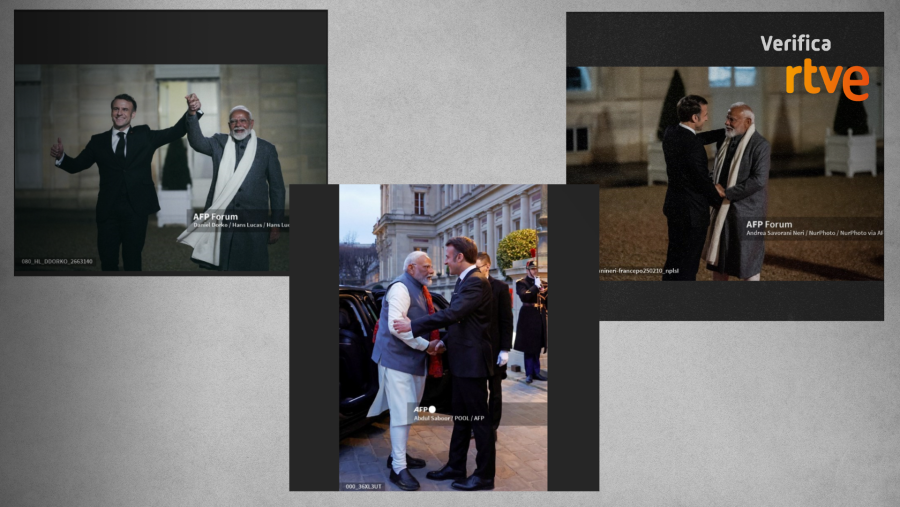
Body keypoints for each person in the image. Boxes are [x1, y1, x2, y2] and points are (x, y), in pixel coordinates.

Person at [393, 237, 495, 491]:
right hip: (462, 361)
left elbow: (453, 314)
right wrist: (443, 342)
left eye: (448, 257)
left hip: (473, 364)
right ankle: (455, 466)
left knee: (479, 421)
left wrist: (412, 325)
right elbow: (460, 324)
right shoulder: (465, 281)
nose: (445, 262)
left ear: (460, 257)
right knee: (461, 418)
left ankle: (484, 476)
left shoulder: (475, 281)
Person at [50, 94, 192, 271]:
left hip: (136, 210)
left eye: (125, 109)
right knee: (108, 261)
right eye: (116, 109)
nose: (119, 113)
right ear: (111, 112)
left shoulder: (144, 135)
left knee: (132, 261)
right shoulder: (98, 141)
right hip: (108, 211)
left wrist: (192, 112)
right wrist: (61, 157)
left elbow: (176, 131)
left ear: (133, 114)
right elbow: (77, 165)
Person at [176, 95, 285, 271]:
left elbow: (277, 189)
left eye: (243, 120)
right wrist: (192, 114)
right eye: (233, 121)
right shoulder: (219, 142)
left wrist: (276, 224)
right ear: (229, 126)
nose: (238, 124)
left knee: (255, 268)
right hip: (225, 221)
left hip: (254, 221)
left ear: (251, 123)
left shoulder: (266, 149)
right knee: (226, 269)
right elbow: (197, 142)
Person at [366, 251, 441, 491]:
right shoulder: (400, 288)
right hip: (396, 360)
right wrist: (427, 345)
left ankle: (399, 456)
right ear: (410, 268)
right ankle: (398, 468)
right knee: (401, 413)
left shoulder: (419, 287)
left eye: (430, 266)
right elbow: (397, 328)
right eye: (426, 266)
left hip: (413, 360)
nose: (431, 270)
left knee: (407, 411)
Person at [661, 95, 727, 281]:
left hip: (674, 207)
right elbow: (701, 181)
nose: (707, 118)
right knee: (688, 266)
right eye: (705, 114)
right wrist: (719, 198)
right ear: (695, 118)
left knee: (673, 261)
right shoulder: (693, 147)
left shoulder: (671, 132)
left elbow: (696, 138)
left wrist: (723, 132)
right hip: (692, 214)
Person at [704, 103, 771, 281]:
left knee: (748, 263)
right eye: (727, 118)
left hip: (747, 212)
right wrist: (710, 186)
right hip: (723, 210)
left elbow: (758, 180)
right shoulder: (726, 141)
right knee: (720, 260)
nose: (726, 122)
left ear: (748, 121)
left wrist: (727, 193)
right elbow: (717, 170)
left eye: (732, 119)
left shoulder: (760, 145)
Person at [475, 252, 513, 438]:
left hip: (496, 348)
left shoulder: (500, 287)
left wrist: (505, 349)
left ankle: (492, 428)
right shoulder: (470, 285)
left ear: (487, 266)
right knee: (479, 392)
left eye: (478, 268)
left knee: (495, 392)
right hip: (477, 350)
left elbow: (507, 320)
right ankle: (480, 427)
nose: (475, 272)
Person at [513, 260, 548, 383]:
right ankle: (529, 373)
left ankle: (536, 372)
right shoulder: (521, 283)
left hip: (539, 316)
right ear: (527, 270)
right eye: (532, 269)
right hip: (527, 316)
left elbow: (547, 301)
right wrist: (535, 287)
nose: (534, 271)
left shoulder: (543, 284)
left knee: (537, 345)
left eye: (535, 269)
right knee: (529, 346)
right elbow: (524, 296)